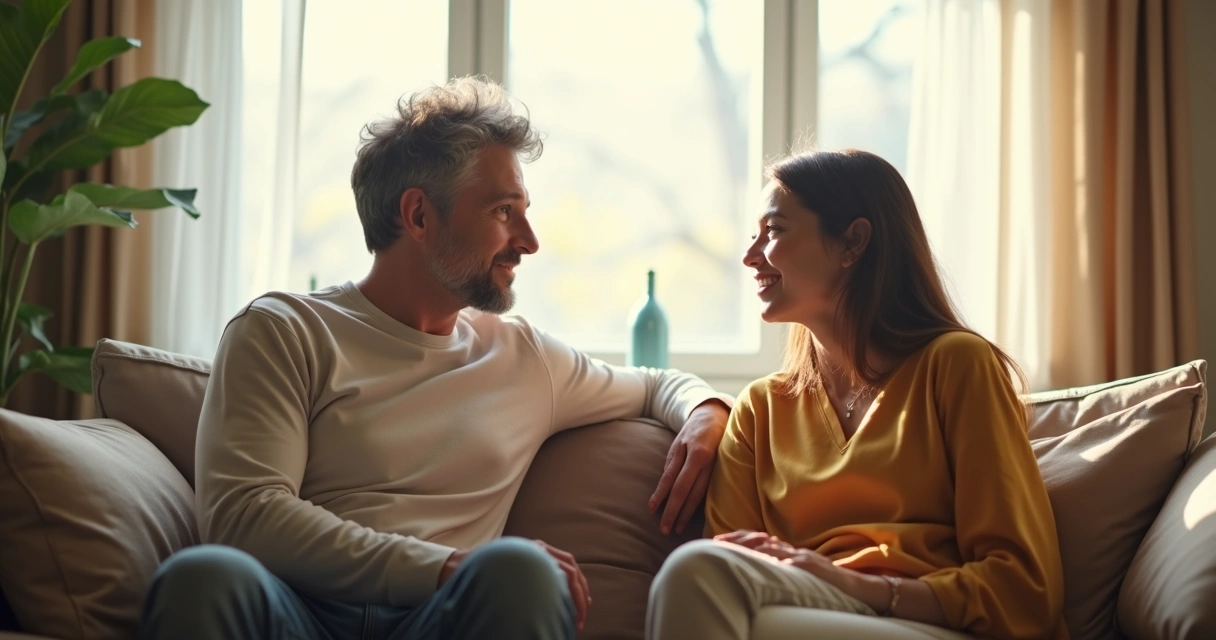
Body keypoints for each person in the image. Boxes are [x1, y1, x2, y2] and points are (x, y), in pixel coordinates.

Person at [138, 77, 732, 640]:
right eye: (503, 211)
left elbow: (657, 384)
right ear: (419, 215)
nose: (528, 240)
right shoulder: (285, 331)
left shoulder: (524, 356)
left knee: (520, 572)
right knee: (201, 579)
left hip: (443, 621)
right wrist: (441, 564)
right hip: (300, 613)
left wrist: (706, 410)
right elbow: (244, 516)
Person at [646, 149, 1068, 640]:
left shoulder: (956, 365)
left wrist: (850, 583)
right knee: (708, 574)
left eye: (775, 230)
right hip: (795, 614)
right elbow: (732, 563)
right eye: (755, 234)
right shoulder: (759, 410)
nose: (750, 254)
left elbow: (1026, 590)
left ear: (853, 242)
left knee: (699, 574)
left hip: (928, 618)